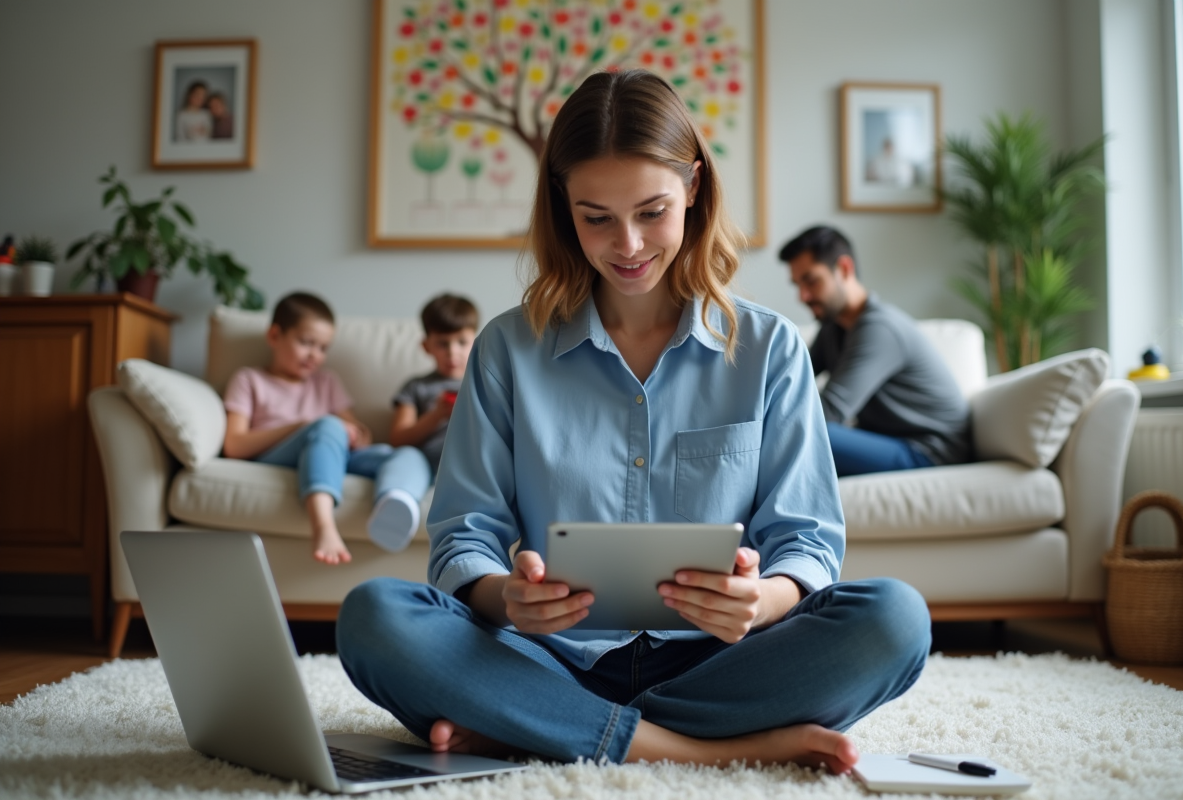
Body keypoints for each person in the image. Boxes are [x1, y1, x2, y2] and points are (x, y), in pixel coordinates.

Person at [336, 70, 930, 772]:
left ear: (694, 187)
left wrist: (761, 601)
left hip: (721, 661)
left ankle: (538, 726)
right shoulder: (506, 348)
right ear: (563, 207)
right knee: (375, 617)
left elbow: (805, 540)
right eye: (597, 218)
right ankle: (705, 750)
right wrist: (509, 599)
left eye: (652, 212)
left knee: (895, 620)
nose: (627, 244)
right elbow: (465, 534)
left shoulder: (770, 348)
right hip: (549, 657)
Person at [222, 292, 419, 565]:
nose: (315, 355)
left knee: (409, 453)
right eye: (306, 343)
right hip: (281, 455)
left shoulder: (326, 382)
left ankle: (395, 500)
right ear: (275, 336)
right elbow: (234, 445)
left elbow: (355, 428)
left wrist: (358, 435)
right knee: (327, 425)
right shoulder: (250, 379)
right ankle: (324, 526)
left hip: (331, 452)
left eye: (323, 348)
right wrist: (300, 427)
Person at [778, 225, 970, 476]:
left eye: (811, 281)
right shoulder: (833, 327)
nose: (802, 296)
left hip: (931, 450)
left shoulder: (879, 329)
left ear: (844, 269)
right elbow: (792, 378)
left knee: (806, 433)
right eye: (797, 285)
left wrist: (767, 426)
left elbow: (830, 410)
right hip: (890, 440)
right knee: (793, 431)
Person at [370, 294, 479, 551]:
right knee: (405, 457)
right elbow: (398, 438)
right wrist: (436, 415)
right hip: (425, 461)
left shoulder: (483, 381)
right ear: (426, 346)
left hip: (468, 460)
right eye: (443, 343)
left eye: (461, 342)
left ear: (475, 341)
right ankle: (398, 501)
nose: (452, 352)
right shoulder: (416, 387)